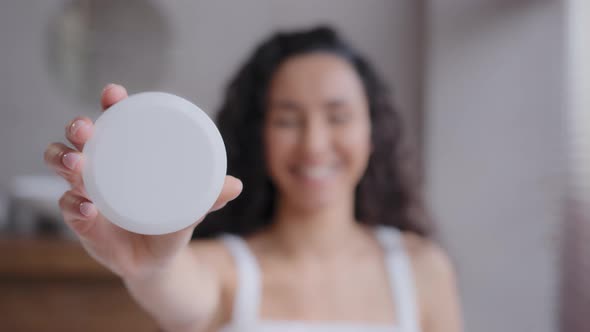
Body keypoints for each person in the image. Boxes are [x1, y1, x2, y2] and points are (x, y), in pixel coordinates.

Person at [44, 26, 462, 332]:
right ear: (257, 134)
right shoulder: (222, 271)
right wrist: (147, 268)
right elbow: (174, 289)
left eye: (338, 117)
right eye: (287, 119)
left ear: (374, 131)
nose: (314, 145)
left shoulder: (422, 269)